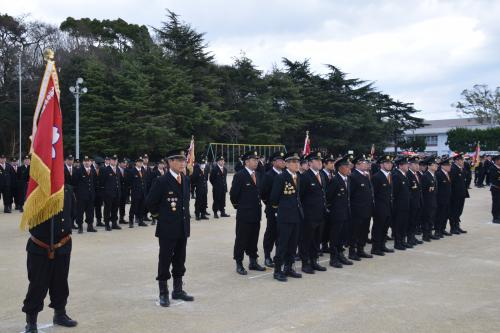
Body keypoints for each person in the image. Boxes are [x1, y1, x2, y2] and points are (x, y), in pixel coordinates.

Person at [22, 186, 78, 333]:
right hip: (40, 247)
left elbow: (72, 213)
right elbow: (30, 215)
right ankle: (31, 320)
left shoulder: (67, 190)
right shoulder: (36, 189)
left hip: (63, 245)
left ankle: (60, 313)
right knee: (37, 284)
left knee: (60, 282)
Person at [146, 149, 194, 307]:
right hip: (167, 229)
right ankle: (163, 292)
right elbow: (150, 202)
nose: (183, 163)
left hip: (182, 228)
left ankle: (178, 290)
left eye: (183, 160)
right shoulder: (162, 181)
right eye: (179, 161)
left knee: (180, 259)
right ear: (170, 162)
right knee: (165, 260)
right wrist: (162, 218)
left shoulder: (185, 179)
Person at [230, 151, 265, 275]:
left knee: (253, 238)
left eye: (257, 160)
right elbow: (233, 195)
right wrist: (240, 207)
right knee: (241, 239)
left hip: (256, 213)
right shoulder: (240, 175)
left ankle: (253, 261)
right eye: (253, 160)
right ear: (246, 162)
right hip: (244, 213)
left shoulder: (259, 175)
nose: (256, 162)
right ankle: (239, 263)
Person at [269, 152, 303, 281]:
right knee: (282, 244)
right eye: (293, 162)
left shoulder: (297, 176)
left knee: (293, 245)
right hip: (285, 216)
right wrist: (280, 211)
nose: (296, 164)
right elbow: (273, 198)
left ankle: (288, 268)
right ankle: (278, 271)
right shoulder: (281, 177)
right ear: (287, 164)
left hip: (296, 215)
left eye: (297, 162)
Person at [299, 151, 327, 274]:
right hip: (309, 215)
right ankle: (305, 263)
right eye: (317, 160)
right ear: (310, 163)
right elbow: (300, 196)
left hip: (320, 214)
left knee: (316, 239)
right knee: (306, 240)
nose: (320, 162)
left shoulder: (322, 175)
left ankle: (314, 261)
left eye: (320, 160)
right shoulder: (305, 177)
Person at [326, 155, 354, 268]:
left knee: (342, 236)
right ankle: (334, 258)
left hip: (345, 213)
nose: (349, 168)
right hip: (336, 214)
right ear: (340, 168)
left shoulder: (347, 179)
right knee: (334, 237)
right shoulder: (335, 180)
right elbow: (328, 197)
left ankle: (340, 254)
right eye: (347, 166)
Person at [260, 151, 285, 268]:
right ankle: (267, 256)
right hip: (272, 210)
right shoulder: (269, 175)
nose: (282, 162)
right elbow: (264, 194)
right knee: (271, 233)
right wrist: (271, 205)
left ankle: (279, 257)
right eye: (280, 160)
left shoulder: (285, 174)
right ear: (274, 162)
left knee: (282, 234)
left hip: (284, 210)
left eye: (283, 160)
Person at [348, 154, 374, 259]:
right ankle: (352, 251)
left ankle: (360, 249)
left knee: (364, 231)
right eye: (364, 162)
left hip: (366, 209)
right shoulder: (353, 176)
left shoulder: (365, 175)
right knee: (355, 231)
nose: (366, 164)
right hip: (357, 210)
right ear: (357, 164)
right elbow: (351, 194)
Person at [371, 155, 395, 256]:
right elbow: (373, 194)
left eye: (390, 163)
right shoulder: (377, 177)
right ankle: (375, 248)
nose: (389, 165)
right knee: (378, 227)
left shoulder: (390, 175)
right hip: (379, 207)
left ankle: (382, 245)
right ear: (381, 164)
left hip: (388, 206)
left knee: (385, 227)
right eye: (387, 163)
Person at [73, 156, 98, 233]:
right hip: (81, 196)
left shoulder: (93, 171)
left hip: (90, 195)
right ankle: (80, 226)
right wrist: (77, 194)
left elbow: (94, 183)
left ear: (91, 162)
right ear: (83, 162)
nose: (87, 162)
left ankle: (90, 226)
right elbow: (75, 183)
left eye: (88, 161)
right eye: (85, 161)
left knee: (90, 211)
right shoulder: (78, 170)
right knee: (80, 211)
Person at [391, 156, 411, 250]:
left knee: (404, 224)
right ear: (400, 165)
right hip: (399, 206)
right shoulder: (396, 175)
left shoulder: (404, 175)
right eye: (406, 164)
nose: (408, 166)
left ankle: (403, 241)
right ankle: (398, 243)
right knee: (398, 224)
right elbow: (395, 192)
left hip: (405, 205)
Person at [100, 155, 122, 231]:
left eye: (116, 160)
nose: (115, 161)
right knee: (107, 209)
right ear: (110, 161)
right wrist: (105, 193)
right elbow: (102, 182)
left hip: (116, 193)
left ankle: (114, 223)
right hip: (108, 194)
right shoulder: (106, 170)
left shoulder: (118, 169)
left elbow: (119, 181)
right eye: (113, 160)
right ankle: (107, 224)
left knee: (115, 209)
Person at [421, 156, 440, 242]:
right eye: (434, 164)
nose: (436, 166)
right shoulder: (425, 176)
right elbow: (423, 191)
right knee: (426, 219)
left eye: (436, 164)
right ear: (429, 166)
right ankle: (426, 235)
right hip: (427, 202)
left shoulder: (433, 175)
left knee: (431, 218)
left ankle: (429, 233)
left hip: (433, 201)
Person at [449, 153, 469, 234]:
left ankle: (457, 226)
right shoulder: (453, 169)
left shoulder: (462, 168)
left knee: (459, 211)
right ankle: (453, 228)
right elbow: (452, 182)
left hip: (462, 194)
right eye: (461, 160)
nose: (463, 161)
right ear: (456, 160)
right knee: (454, 211)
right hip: (455, 194)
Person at [320, 153, 335, 255]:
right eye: (330, 163)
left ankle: (326, 244)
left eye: (333, 162)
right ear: (325, 164)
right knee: (323, 227)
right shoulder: (322, 174)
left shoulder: (332, 174)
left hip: (331, 205)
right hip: (324, 204)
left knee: (329, 226)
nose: (332, 164)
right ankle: (323, 245)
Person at [406, 156, 423, 246]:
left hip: (418, 201)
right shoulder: (408, 174)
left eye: (418, 164)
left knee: (415, 221)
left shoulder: (418, 174)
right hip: (411, 202)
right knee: (411, 221)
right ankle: (409, 238)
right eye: (415, 164)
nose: (417, 166)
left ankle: (413, 236)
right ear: (410, 165)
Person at [128, 157, 148, 228]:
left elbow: (145, 182)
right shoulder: (132, 171)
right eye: (139, 162)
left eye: (141, 162)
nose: (140, 163)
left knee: (142, 207)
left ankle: (141, 221)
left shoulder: (143, 171)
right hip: (135, 192)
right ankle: (131, 221)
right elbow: (130, 182)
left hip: (143, 192)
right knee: (133, 207)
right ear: (136, 163)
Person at [435, 157, 452, 238]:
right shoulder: (438, 174)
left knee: (445, 215)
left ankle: (443, 229)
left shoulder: (447, 174)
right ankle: (437, 231)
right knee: (439, 215)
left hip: (447, 199)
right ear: (443, 166)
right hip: (440, 199)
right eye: (448, 165)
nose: (450, 167)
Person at [490, 155, 500, 224]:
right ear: (496, 161)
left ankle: (499, 216)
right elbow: (495, 177)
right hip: (495, 188)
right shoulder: (492, 168)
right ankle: (495, 217)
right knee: (496, 203)